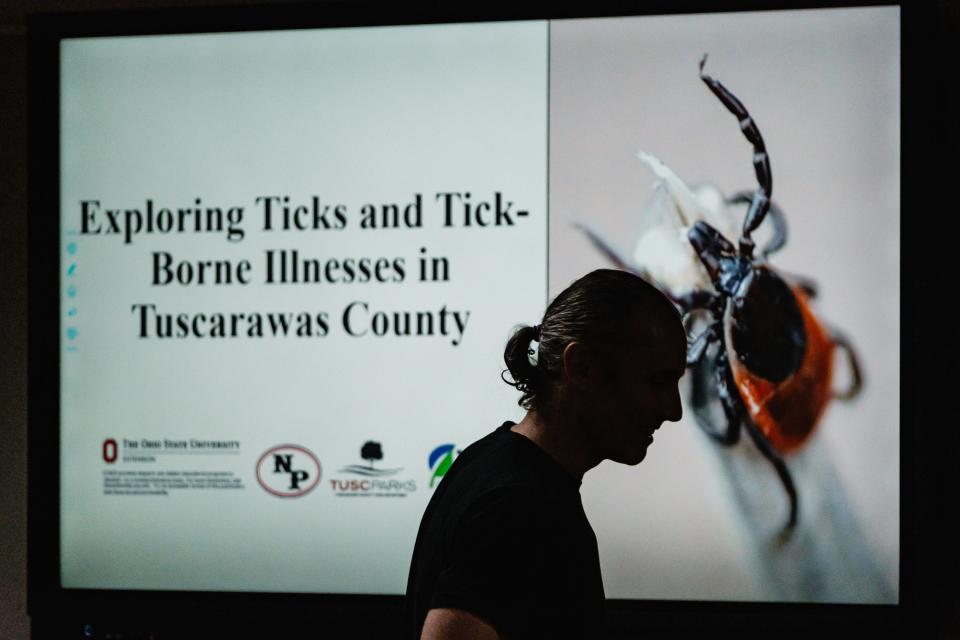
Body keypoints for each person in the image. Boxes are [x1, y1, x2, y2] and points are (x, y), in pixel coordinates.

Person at [404, 269, 687, 639]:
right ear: (581, 367)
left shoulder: (494, 465)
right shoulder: (520, 508)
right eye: (657, 381)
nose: (674, 409)